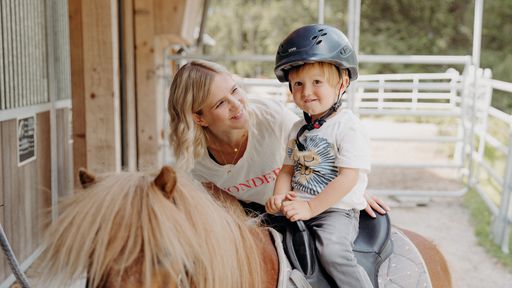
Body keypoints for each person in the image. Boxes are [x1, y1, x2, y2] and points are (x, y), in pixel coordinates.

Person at [167, 59, 388, 225]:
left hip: (303, 205)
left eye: (235, 90)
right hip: (254, 219)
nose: (237, 104)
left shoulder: (272, 119)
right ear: (199, 118)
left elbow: (324, 148)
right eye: (220, 103)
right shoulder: (193, 162)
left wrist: (353, 192)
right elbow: (225, 210)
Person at [265, 24, 374, 287]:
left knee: (333, 252)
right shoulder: (296, 128)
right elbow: (287, 170)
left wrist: (311, 207)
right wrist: (278, 197)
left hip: (335, 211)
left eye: (317, 82)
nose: (307, 91)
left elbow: (348, 178)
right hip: (297, 207)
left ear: (342, 83)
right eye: (298, 84)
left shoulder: (348, 127)